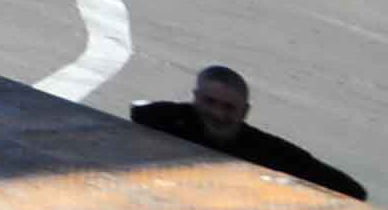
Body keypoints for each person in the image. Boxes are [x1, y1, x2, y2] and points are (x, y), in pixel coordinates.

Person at [135, 65, 368, 199]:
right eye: (209, 102)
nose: (217, 114)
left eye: (228, 107)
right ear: (195, 99)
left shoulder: (268, 153)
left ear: (244, 112)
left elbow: (351, 191)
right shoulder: (163, 119)